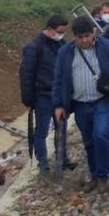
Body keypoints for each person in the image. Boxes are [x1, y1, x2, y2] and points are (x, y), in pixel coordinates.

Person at [52, 17, 109, 195]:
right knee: (88, 141)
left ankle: (103, 177)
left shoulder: (107, 47)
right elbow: (58, 80)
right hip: (80, 105)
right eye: (80, 37)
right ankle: (94, 175)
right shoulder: (65, 52)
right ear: (75, 37)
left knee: (101, 134)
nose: (84, 40)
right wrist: (58, 105)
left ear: (93, 32)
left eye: (87, 36)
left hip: (102, 101)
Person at [19, 15, 75, 174]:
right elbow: (26, 74)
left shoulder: (62, 45)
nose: (62, 34)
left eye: (64, 31)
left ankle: (62, 159)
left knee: (61, 128)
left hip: (60, 95)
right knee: (41, 131)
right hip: (42, 95)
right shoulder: (34, 47)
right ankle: (42, 162)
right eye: (59, 31)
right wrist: (28, 99)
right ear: (50, 30)